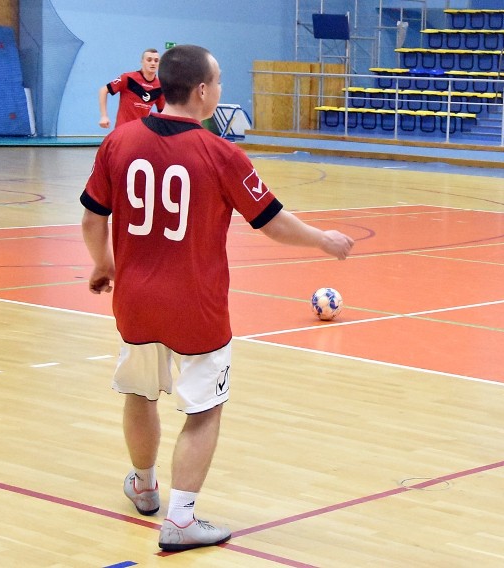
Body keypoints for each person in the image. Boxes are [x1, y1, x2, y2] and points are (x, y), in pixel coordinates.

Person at [81, 44, 354, 551]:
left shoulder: (118, 143)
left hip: (135, 300)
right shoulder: (221, 153)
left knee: (140, 393)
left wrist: (103, 263)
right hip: (196, 305)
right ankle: (181, 520)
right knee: (203, 410)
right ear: (202, 90)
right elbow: (271, 223)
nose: (222, 89)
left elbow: (94, 216)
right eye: (220, 81)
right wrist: (322, 238)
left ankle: (143, 484)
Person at [98, 48, 166, 129]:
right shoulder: (128, 78)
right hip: (123, 130)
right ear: (142, 62)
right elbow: (103, 90)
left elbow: (163, 112)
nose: (153, 63)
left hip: (142, 132)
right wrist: (104, 116)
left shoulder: (160, 86)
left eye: (156, 60)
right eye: (149, 60)